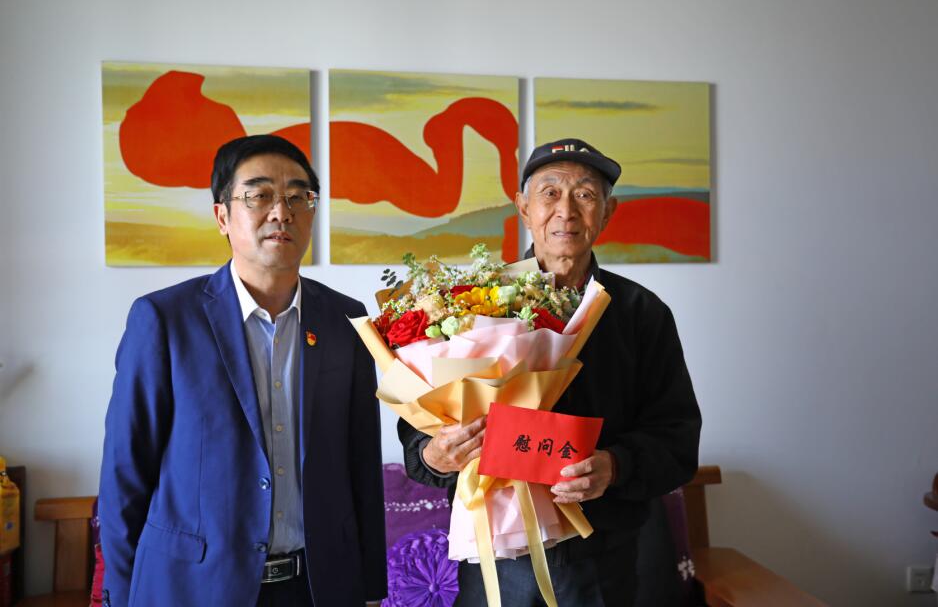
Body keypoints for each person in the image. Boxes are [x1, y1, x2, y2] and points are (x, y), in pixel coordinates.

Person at [398, 138, 702, 605]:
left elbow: (677, 439)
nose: (566, 210)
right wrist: (434, 456)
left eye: (585, 194)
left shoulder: (642, 313)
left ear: (608, 212)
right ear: (523, 207)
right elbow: (419, 425)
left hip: (603, 554)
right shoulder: (468, 305)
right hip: (494, 551)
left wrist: (615, 465)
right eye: (550, 193)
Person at [99, 135, 386, 607]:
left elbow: (361, 462)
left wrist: (371, 588)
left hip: (317, 588)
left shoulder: (346, 320)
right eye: (259, 195)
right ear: (222, 217)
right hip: (193, 589)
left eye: (298, 197)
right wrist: (124, 595)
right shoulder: (165, 319)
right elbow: (125, 472)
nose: (281, 212)